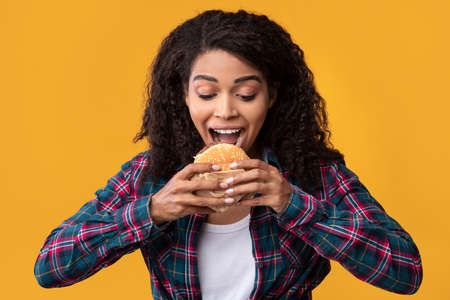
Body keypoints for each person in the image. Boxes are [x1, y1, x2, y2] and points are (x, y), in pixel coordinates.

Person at [34, 9, 422, 299]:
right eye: (206, 93)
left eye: (245, 94)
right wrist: (153, 211)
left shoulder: (313, 173)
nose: (225, 111)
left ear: (271, 95)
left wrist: (294, 205)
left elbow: (406, 272)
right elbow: (50, 267)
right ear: (184, 96)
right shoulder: (149, 175)